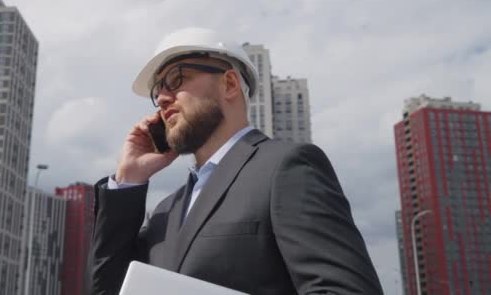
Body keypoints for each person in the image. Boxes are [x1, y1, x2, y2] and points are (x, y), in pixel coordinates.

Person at [88, 28, 383, 295]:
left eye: (176, 80)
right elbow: (109, 290)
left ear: (229, 83)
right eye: (158, 90)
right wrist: (129, 179)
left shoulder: (285, 168)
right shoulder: (167, 211)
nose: (163, 98)